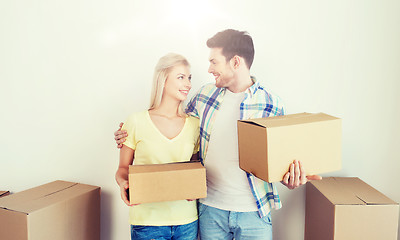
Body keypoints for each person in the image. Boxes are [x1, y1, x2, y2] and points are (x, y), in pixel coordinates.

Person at [114, 29, 321, 240]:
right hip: (209, 211)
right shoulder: (204, 96)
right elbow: (173, 120)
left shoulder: (272, 104)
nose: (210, 69)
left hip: (254, 212)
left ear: (236, 62)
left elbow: (280, 161)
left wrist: (291, 179)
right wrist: (128, 132)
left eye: (214, 62)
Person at [115, 53, 200, 240]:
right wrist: (123, 183)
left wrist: (195, 187)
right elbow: (122, 169)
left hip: (186, 222)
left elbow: (194, 169)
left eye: (189, 78)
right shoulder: (135, 121)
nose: (188, 84)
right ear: (163, 80)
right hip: (147, 223)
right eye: (181, 77)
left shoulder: (194, 125)